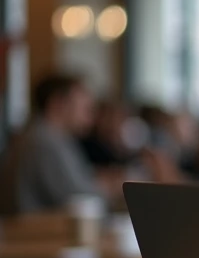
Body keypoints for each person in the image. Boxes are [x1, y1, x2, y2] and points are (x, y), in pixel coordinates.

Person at [0, 73, 120, 214]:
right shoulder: (44, 142)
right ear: (58, 104)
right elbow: (79, 198)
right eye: (85, 108)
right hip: (38, 232)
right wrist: (115, 187)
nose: (91, 118)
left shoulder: (48, 136)